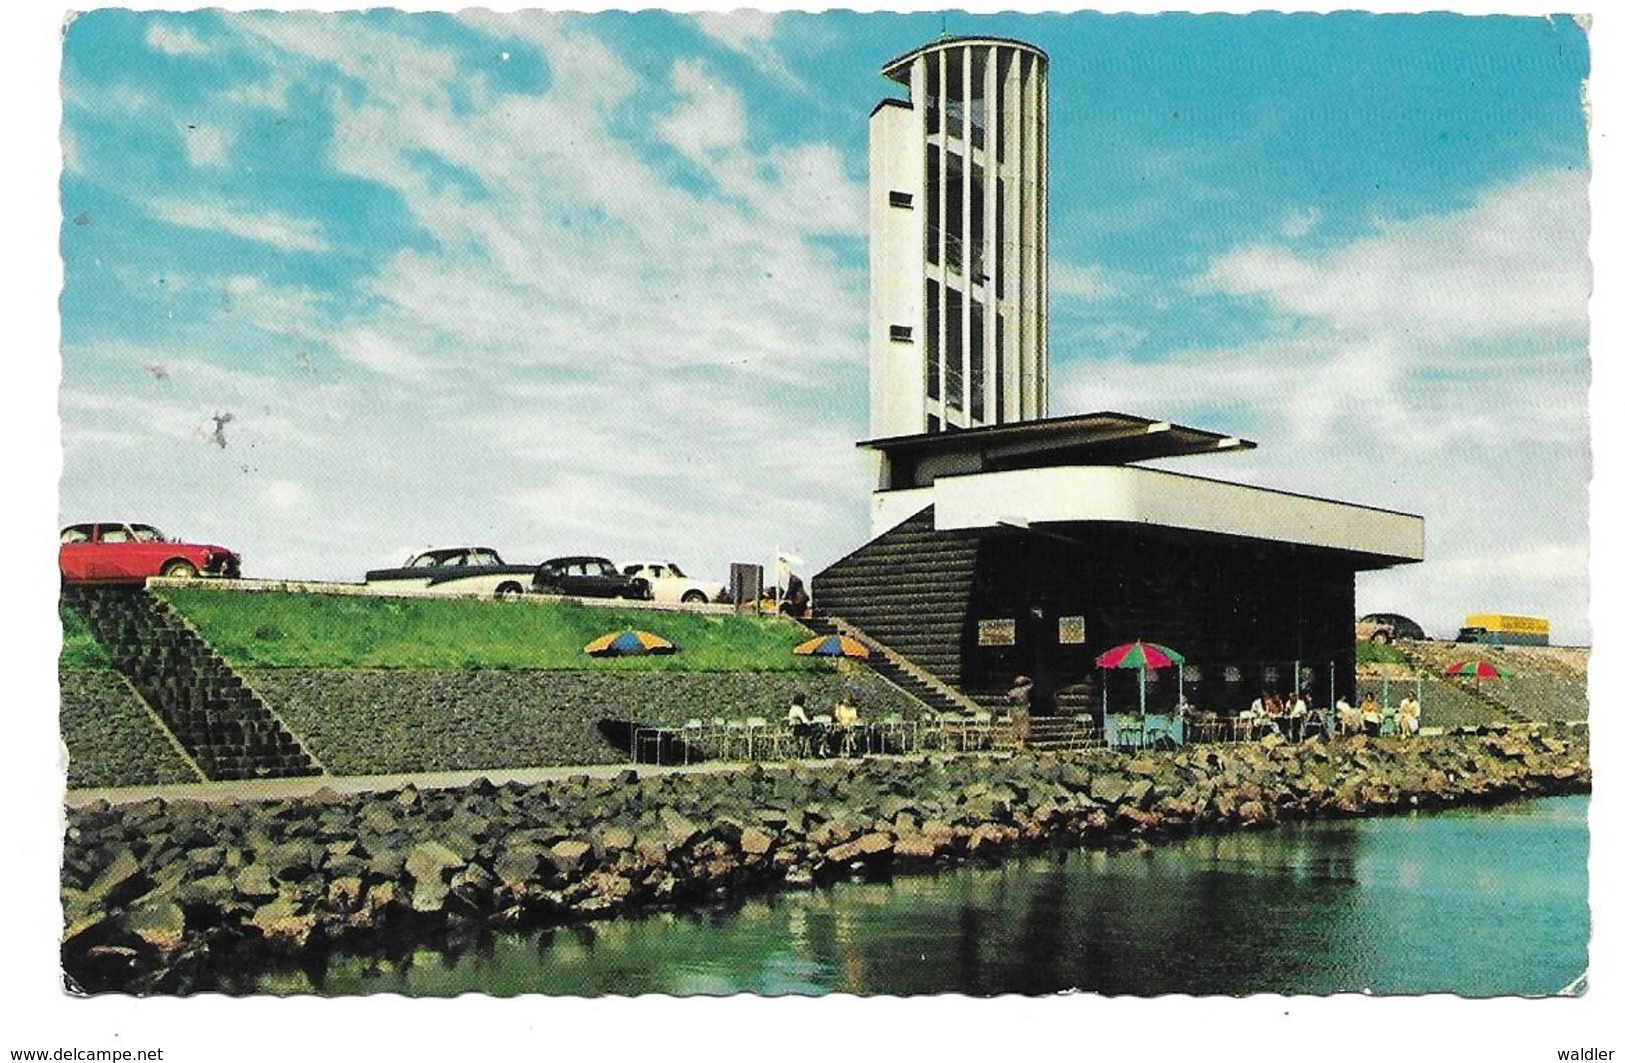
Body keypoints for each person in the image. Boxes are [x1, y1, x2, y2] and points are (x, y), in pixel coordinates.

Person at [1007, 675, 1034, 753]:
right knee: (1023, 727)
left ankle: (1018, 745)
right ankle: (1021, 745)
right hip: (1023, 710)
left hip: (1016, 710)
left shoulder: (1013, 691)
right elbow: (1031, 683)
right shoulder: (1025, 690)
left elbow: (1008, 700)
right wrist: (1027, 679)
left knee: (1017, 727)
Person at [786, 691, 816, 756]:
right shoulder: (798, 708)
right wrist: (810, 723)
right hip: (797, 727)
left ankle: (798, 752)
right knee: (810, 733)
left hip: (792, 726)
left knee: (797, 740)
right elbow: (803, 719)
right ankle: (810, 751)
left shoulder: (793, 707)